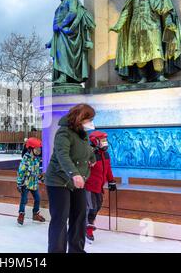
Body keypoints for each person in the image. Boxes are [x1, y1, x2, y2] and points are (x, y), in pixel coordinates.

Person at [45, 104, 97, 253]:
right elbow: (63, 155)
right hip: (59, 181)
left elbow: (86, 149)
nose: (91, 122)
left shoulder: (82, 134)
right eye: (89, 119)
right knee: (60, 219)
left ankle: (76, 250)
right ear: (80, 118)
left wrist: (92, 157)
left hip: (78, 181)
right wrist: (74, 174)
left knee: (79, 216)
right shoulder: (64, 133)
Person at [85, 131, 117, 243]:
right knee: (91, 207)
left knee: (97, 206)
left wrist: (111, 181)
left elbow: (108, 169)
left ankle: (86, 225)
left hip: (99, 187)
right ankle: (87, 230)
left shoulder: (106, 155)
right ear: (95, 141)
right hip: (88, 187)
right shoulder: (90, 153)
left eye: (105, 140)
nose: (105, 143)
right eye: (102, 140)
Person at [16, 137, 46, 225]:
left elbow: (37, 171)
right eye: (36, 149)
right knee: (24, 200)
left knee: (37, 199)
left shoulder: (36, 159)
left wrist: (41, 178)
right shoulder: (25, 159)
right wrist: (19, 183)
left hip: (34, 183)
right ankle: (21, 214)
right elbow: (21, 172)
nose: (38, 151)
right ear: (30, 149)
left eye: (39, 149)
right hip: (25, 183)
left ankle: (35, 214)